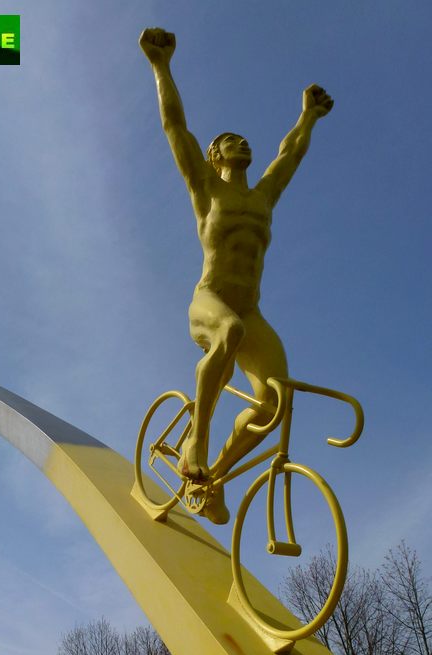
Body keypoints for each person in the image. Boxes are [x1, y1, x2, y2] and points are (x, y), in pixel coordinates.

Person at [139, 28, 333, 523]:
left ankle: (212, 478)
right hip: (211, 301)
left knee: (274, 403)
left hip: (250, 309)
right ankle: (195, 440)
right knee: (230, 330)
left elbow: (288, 155)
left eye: (245, 139)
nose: (242, 142)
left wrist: (307, 116)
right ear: (215, 156)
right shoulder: (206, 189)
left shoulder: (262, 198)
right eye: (230, 140)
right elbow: (175, 127)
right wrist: (161, 67)